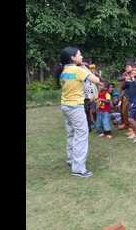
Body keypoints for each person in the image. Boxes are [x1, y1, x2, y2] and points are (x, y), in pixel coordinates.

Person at [56, 47, 100, 177]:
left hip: (65, 105)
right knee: (81, 135)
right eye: (80, 55)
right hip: (76, 107)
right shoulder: (78, 70)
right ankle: (78, 168)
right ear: (73, 58)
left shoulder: (63, 70)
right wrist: (84, 68)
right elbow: (96, 80)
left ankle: (71, 160)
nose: (82, 57)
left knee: (71, 133)